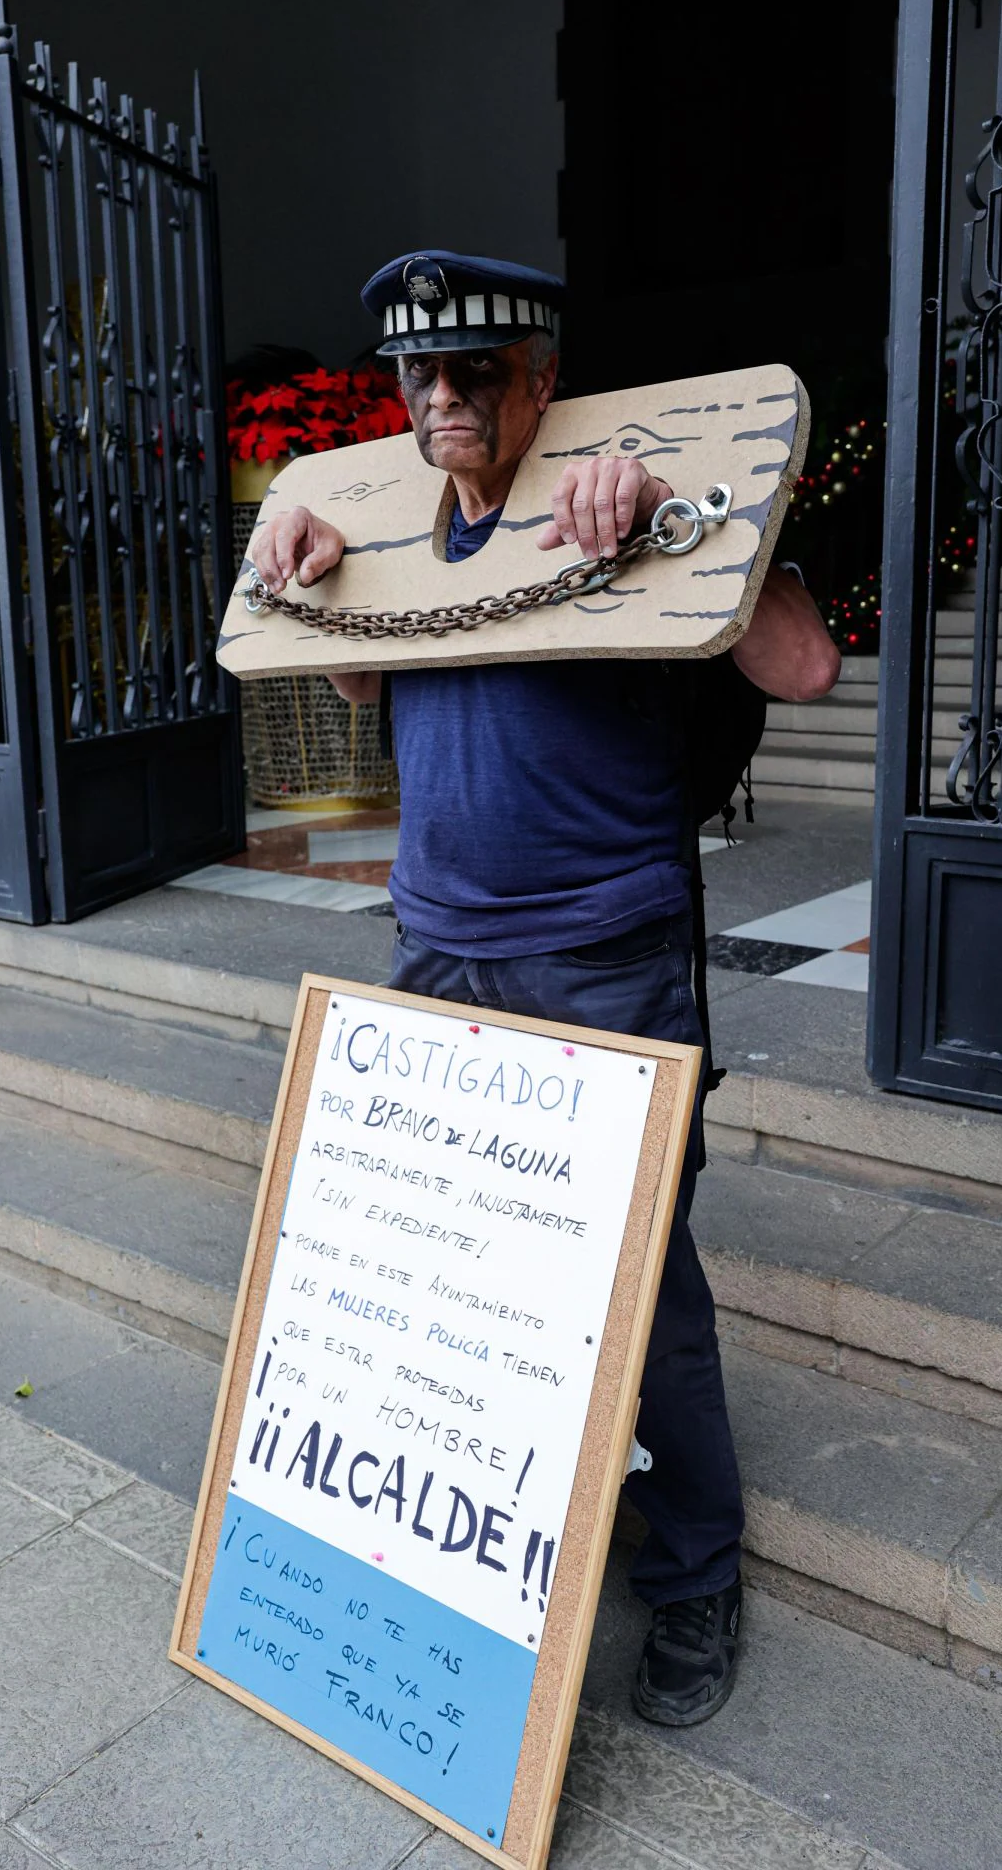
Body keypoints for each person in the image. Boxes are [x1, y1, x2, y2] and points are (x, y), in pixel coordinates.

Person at [247, 251, 840, 1726]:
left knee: (636, 1291)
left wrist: (678, 516)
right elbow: (367, 687)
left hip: (602, 953)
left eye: (478, 374)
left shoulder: (616, 504)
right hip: (436, 942)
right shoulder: (406, 526)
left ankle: (695, 1574)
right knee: (455, 1276)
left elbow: (810, 666)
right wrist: (317, 588)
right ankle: (495, 1558)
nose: (443, 400)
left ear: (541, 386)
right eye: (421, 377)